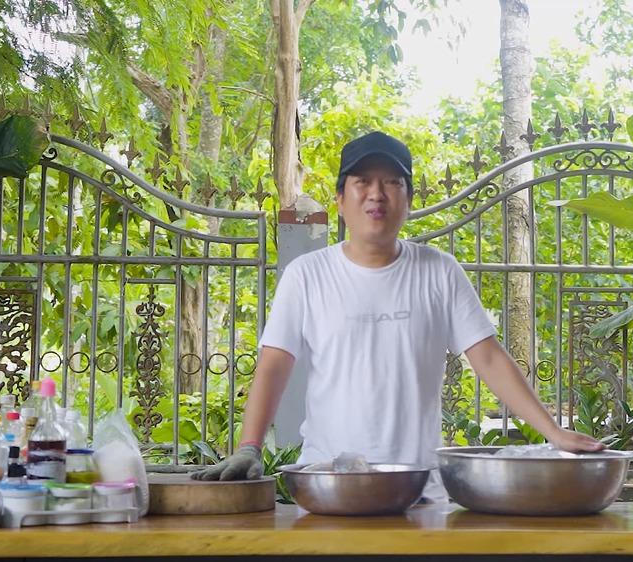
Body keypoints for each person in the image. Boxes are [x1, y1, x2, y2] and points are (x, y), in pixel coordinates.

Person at [191, 131, 604, 496]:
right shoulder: (307, 275)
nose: (377, 193)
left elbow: (489, 359)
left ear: (408, 200)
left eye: (392, 182)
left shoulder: (439, 271)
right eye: (362, 182)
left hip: (419, 489)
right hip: (330, 485)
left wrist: (553, 432)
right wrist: (249, 447)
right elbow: (274, 364)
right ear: (340, 200)